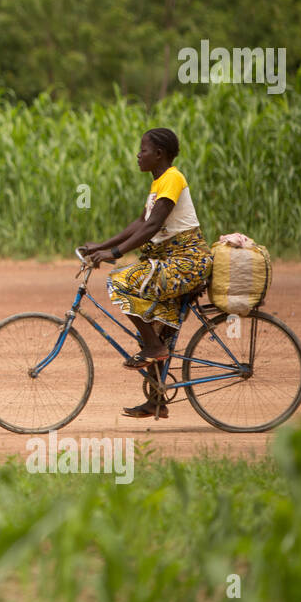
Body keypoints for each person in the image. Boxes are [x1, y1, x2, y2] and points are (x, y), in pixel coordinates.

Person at [83, 128, 212, 418]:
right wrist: (101, 246)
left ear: (159, 154)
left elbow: (153, 227)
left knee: (120, 282)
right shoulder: (159, 184)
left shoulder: (173, 179)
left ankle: (154, 348)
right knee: (155, 327)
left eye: (143, 149)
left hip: (186, 263)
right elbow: (140, 223)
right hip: (171, 262)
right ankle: (156, 400)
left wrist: (114, 255)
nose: (138, 155)